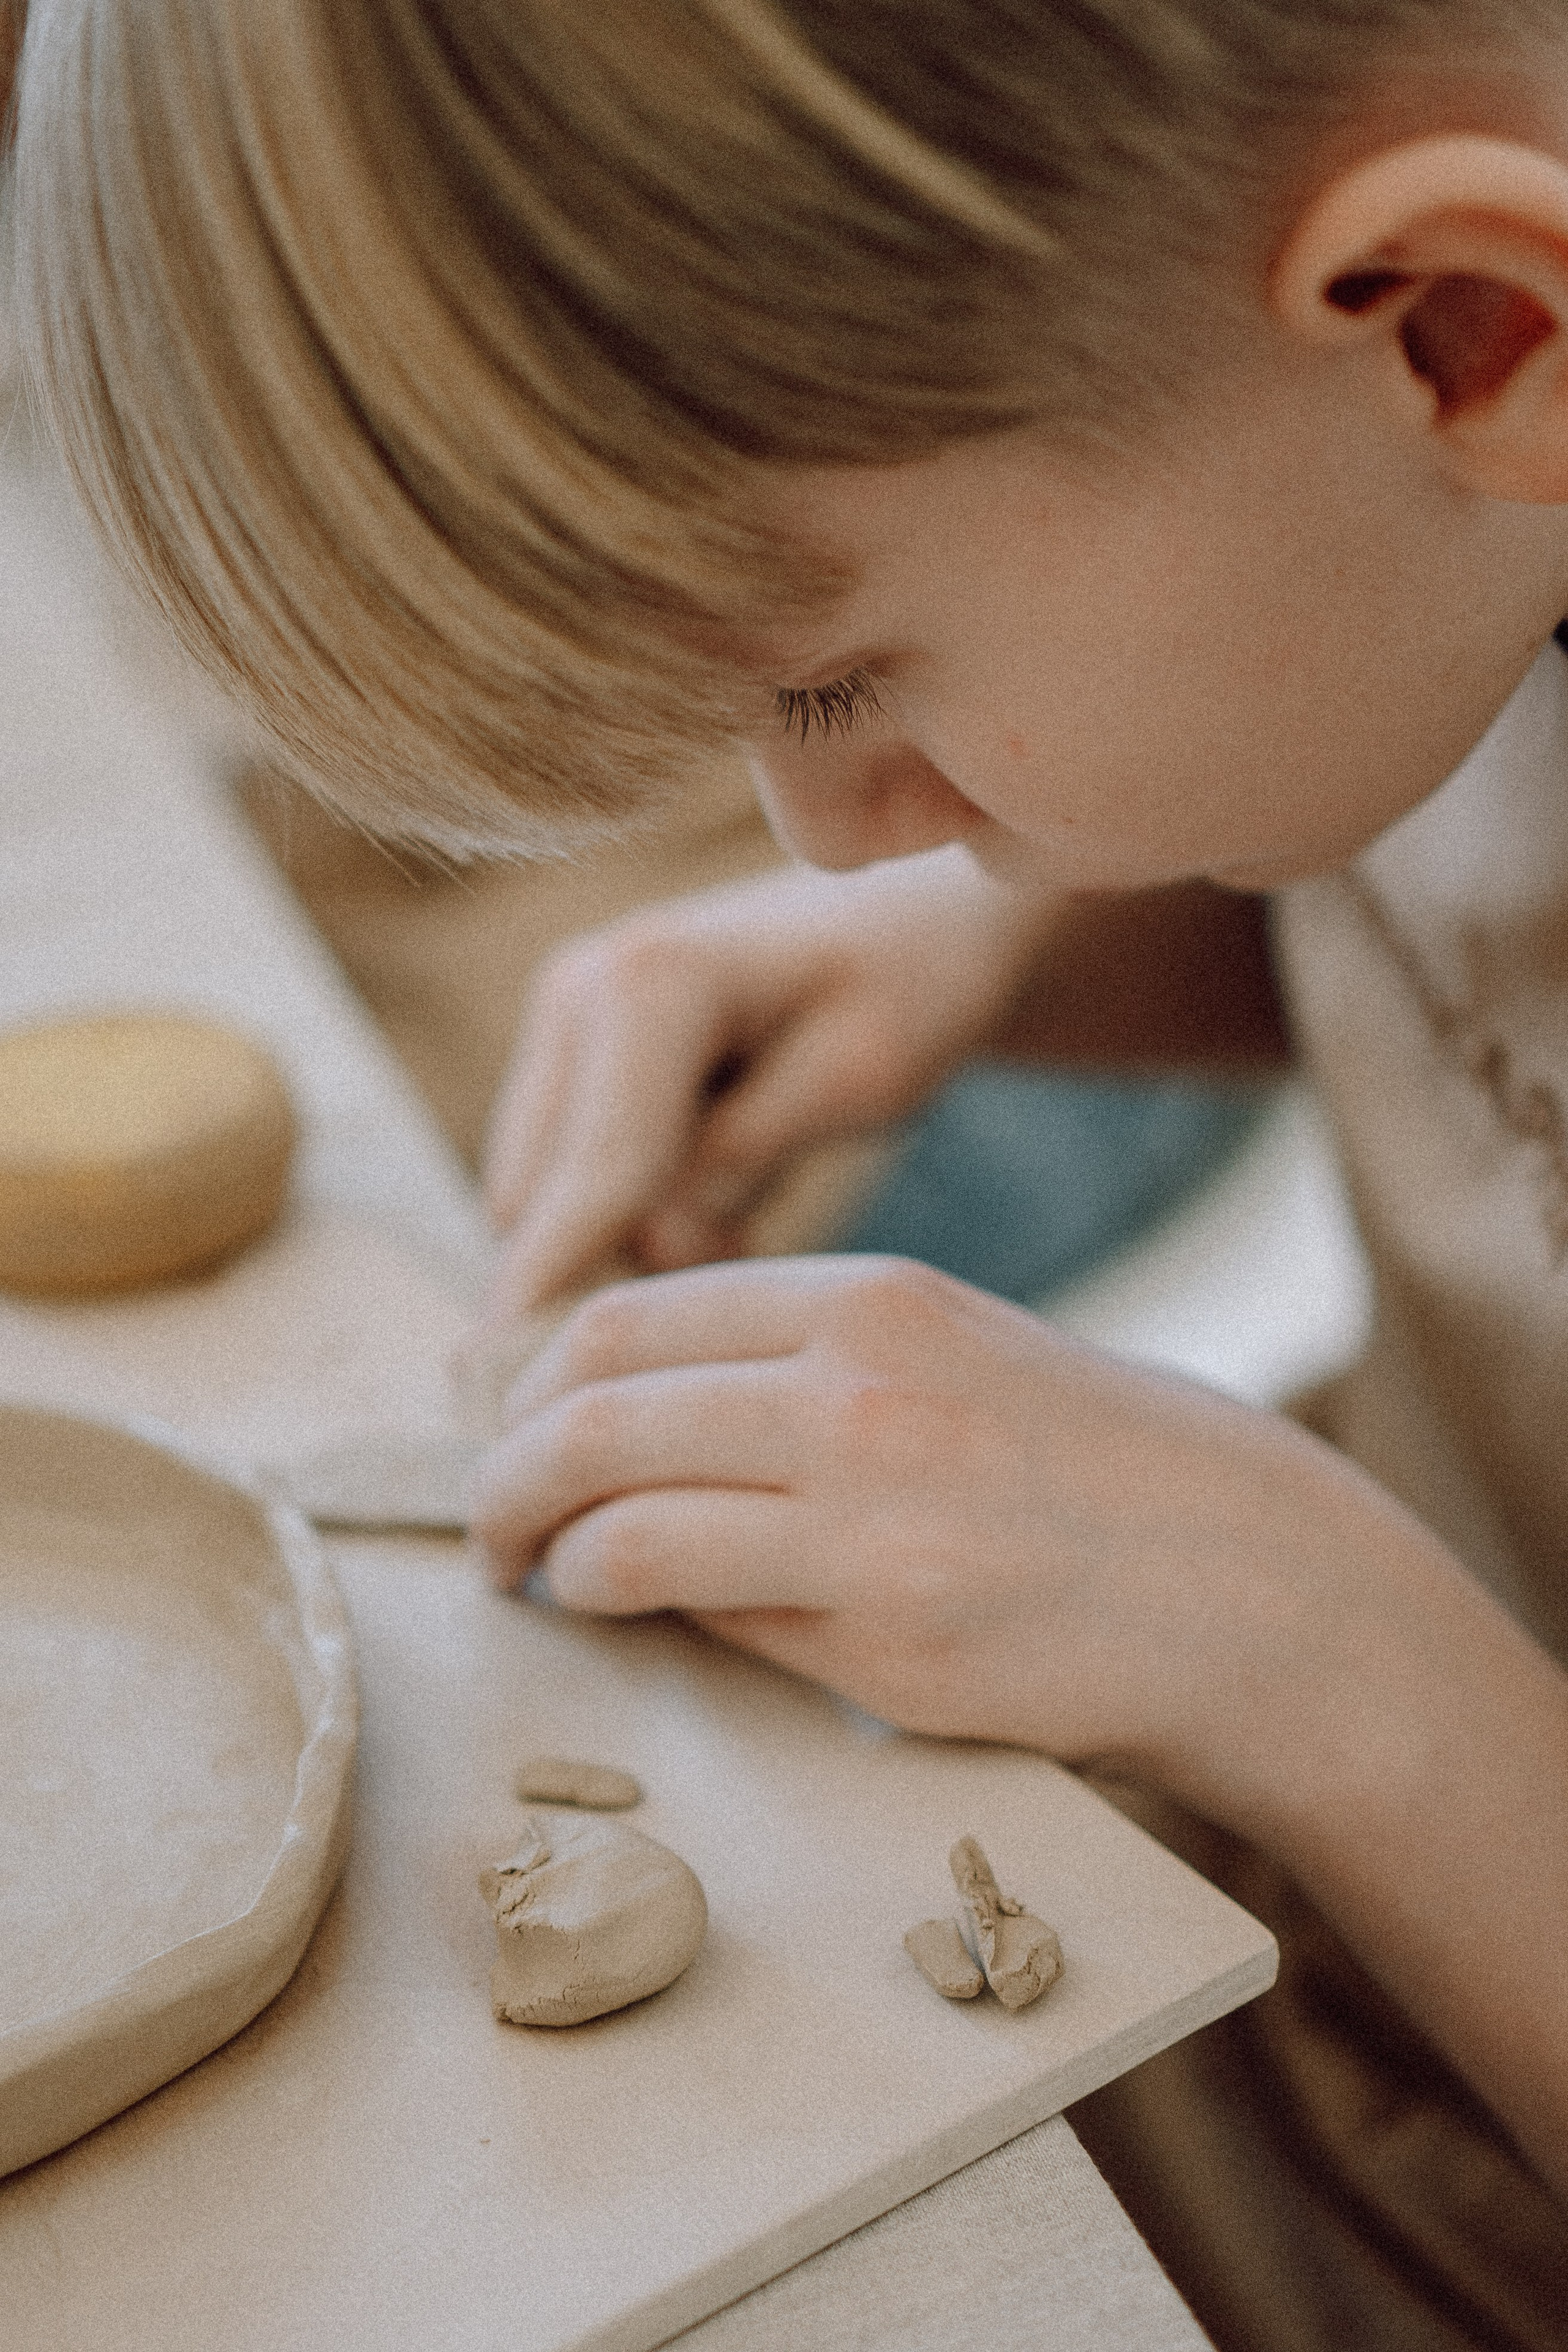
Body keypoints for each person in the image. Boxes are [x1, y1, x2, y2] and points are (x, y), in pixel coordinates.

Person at [9, 2, 1568, 2342]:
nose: (815, 833)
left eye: (843, 688)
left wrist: (1335, 1664)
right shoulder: (1428, 472)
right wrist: (1030, 935)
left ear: (1467, 324)